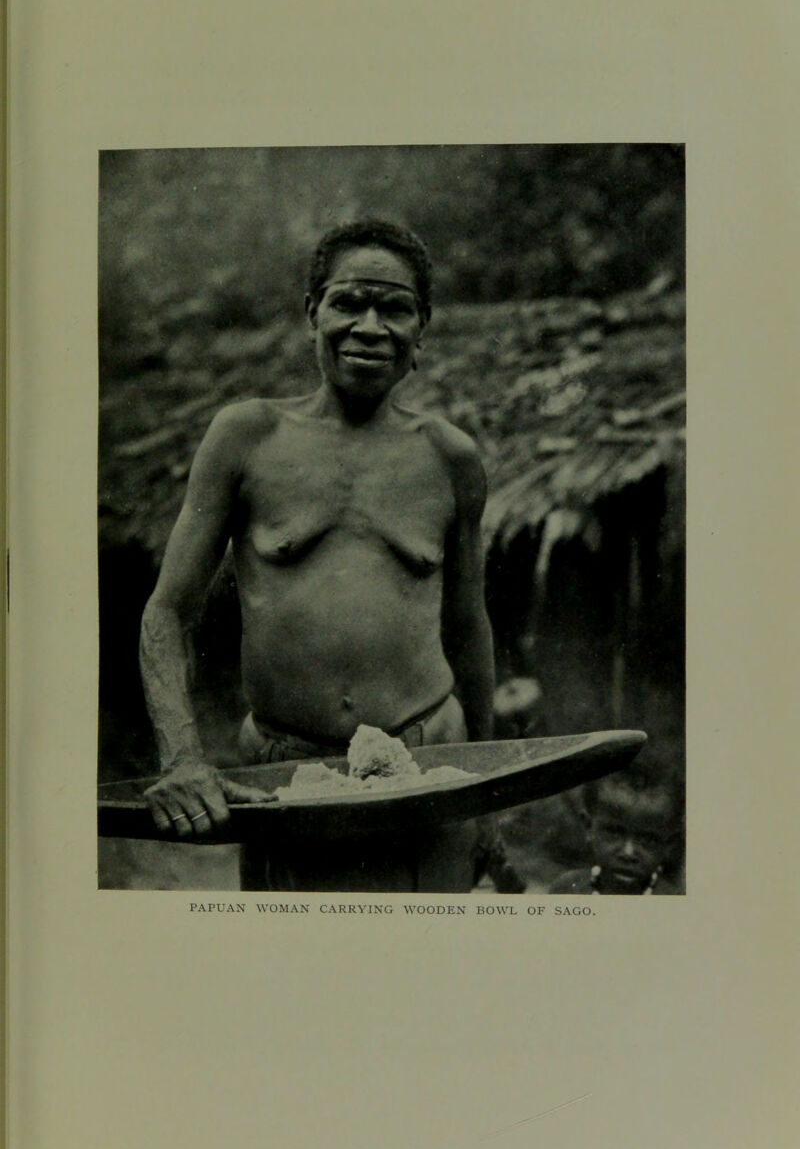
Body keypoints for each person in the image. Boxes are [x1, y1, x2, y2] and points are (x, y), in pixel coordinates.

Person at [139, 218, 495, 890]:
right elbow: (165, 614)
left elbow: (468, 628)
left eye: (394, 307)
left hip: (430, 763)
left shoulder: (450, 457)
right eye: (348, 302)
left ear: (422, 329)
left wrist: (486, 797)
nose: (369, 325)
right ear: (313, 314)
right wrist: (182, 758)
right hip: (286, 774)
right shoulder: (246, 437)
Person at [548, 769, 684, 895]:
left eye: (648, 840)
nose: (628, 853)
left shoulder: (675, 902)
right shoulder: (567, 889)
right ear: (588, 827)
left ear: (669, 844)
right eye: (614, 833)